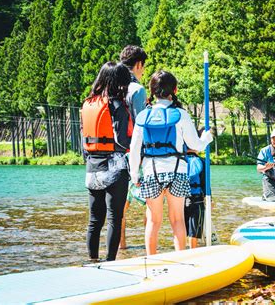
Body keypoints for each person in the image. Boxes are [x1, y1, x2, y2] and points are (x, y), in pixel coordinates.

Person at [128, 70, 213, 255]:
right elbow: (195, 146)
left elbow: (134, 149)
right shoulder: (180, 114)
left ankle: (151, 261)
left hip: (151, 173)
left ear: (152, 91)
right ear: (174, 89)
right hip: (177, 173)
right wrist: (207, 138)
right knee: (177, 220)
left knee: (153, 221)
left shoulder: (143, 116)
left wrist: (134, 175)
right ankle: (181, 260)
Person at [82, 61, 133, 261]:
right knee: (114, 218)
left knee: (94, 220)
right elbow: (121, 140)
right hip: (114, 168)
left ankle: (92, 260)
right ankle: (111, 261)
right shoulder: (118, 105)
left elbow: (84, 141)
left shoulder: (88, 103)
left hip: (92, 168)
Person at [119, 45, 148, 249]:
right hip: (135, 153)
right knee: (150, 204)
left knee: (120, 207)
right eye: (143, 67)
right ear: (138, 65)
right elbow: (141, 124)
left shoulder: (110, 87)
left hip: (114, 153)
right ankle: (150, 250)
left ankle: (121, 248)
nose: (143, 71)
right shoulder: (137, 90)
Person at [184, 148, 206, 248]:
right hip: (197, 199)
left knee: (180, 228)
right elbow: (205, 183)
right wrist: (209, 199)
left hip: (179, 199)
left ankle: (180, 252)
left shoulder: (178, 160)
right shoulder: (201, 161)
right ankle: (193, 253)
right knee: (194, 231)